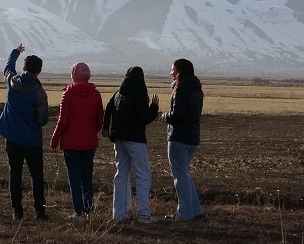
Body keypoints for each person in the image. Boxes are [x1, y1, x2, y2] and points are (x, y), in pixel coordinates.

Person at [0, 43, 50, 221]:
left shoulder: (12, 82)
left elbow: (7, 69)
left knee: (15, 174)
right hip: (32, 140)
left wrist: (15, 53)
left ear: (24, 68)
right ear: (39, 71)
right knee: (37, 176)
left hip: (12, 138)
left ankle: (17, 210)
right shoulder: (39, 93)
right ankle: (39, 211)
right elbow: (42, 119)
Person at [102, 66, 159, 223]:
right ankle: (143, 214)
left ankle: (119, 214)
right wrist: (154, 107)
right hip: (135, 140)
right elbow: (144, 118)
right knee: (143, 175)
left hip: (119, 140)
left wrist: (107, 128)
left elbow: (108, 109)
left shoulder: (118, 93)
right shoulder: (139, 95)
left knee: (121, 175)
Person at [49, 62, 104, 220]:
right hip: (89, 143)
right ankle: (88, 208)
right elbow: (99, 120)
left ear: (74, 75)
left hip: (71, 143)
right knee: (87, 176)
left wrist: (54, 140)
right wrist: (91, 132)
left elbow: (62, 121)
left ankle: (78, 211)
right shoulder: (96, 94)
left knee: (74, 177)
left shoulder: (68, 94)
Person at [160, 58, 204, 221]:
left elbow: (178, 115)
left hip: (178, 137)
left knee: (180, 177)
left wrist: (164, 117)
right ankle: (195, 211)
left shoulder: (180, 90)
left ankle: (184, 214)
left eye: (173, 70)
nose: (171, 73)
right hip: (192, 137)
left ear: (179, 71)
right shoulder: (196, 89)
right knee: (185, 175)